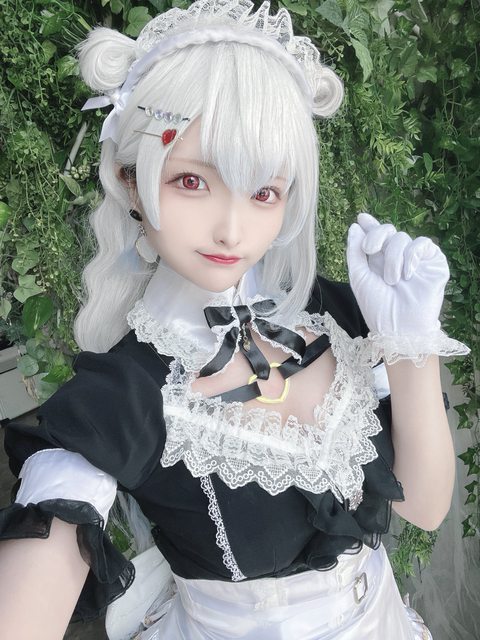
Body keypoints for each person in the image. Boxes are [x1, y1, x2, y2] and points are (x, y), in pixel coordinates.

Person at [0, 1, 470, 638]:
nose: (231, 228)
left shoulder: (339, 314)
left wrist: (411, 343)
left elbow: (425, 507)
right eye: (192, 182)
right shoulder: (126, 395)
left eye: (263, 191)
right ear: (131, 181)